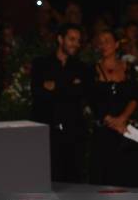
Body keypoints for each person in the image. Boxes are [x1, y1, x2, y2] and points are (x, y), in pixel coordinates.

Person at [31, 23, 89, 183]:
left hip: (73, 133)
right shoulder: (41, 64)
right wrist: (70, 84)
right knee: (48, 179)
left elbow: (81, 93)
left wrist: (55, 85)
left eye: (78, 40)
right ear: (60, 39)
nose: (76, 44)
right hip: (47, 132)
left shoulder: (82, 67)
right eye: (72, 39)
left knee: (74, 182)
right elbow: (38, 93)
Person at [88, 29, 138, 187]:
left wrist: (122, 119)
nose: (103, 45)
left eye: (107, 41)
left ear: (116, 44)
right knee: (104, 177)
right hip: (104, 129)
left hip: (126, 129)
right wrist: (111, 121)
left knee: (128, 174)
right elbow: (91, 99)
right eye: (100, 41)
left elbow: (135, 96)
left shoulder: (129, 68)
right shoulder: (92, 70)